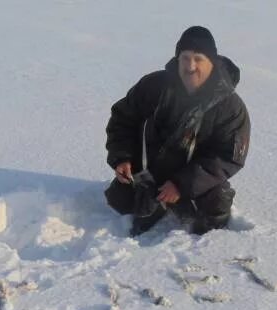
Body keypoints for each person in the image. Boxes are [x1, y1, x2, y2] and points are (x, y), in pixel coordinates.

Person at [104, 26, 251, 236]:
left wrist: (182, 184)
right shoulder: (154, 86)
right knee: (120, 201)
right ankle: (155, 202)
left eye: (198, 58)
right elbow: (123, 119)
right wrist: (122, 158)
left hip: (196, 179)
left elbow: (228, 157)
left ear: (212, 62)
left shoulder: (230, 107)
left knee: (216, 206)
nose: (190, 66)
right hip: (151, 171)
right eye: (185, 58)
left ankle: (211, 242)